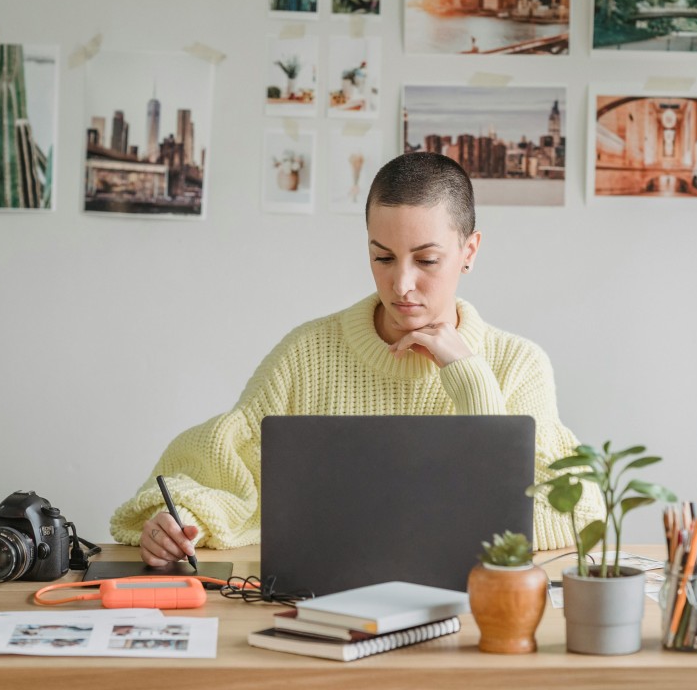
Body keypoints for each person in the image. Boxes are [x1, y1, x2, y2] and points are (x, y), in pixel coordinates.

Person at [111, 151, 602, 567]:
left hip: (469, 611)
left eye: (427, 260)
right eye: (382, 258)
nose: (402, 285)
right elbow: (226, 473)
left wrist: (468, 372)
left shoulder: (518, 363)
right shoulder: (307, 353)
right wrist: (177, 524)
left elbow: (573, 515)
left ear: (469, 250)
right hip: (322, 608)